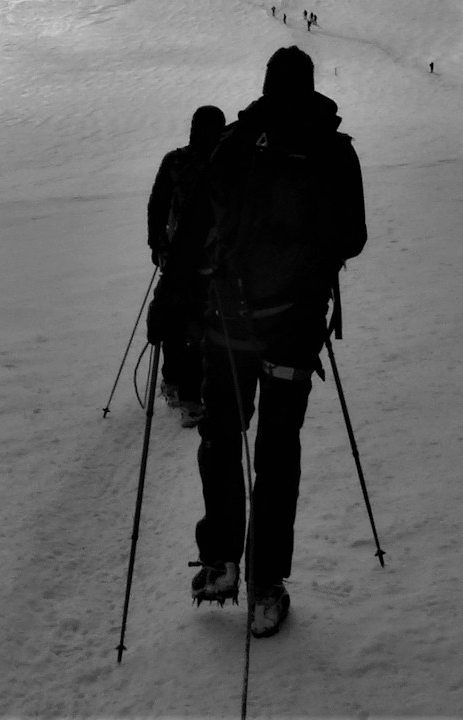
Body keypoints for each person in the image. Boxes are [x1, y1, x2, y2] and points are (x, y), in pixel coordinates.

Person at [189, 47, 366, 638]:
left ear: (264, 84)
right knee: (277, 451)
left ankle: (221, 561)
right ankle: (266, 584)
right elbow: (353, 236)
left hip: (227, 323)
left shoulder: (235, 142)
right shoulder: (333, 149)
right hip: (291, 325)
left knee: (221, 434)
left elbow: (196, 226)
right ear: (311, 86)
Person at [146, 106, 227, 425]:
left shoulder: (176, 161)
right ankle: (191, 395)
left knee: (174, 314)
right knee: (198, 320)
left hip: (178, 256)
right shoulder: (220, 163)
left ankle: (175, 383)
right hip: (208, 259)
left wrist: (158, 244)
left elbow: (157, 205)